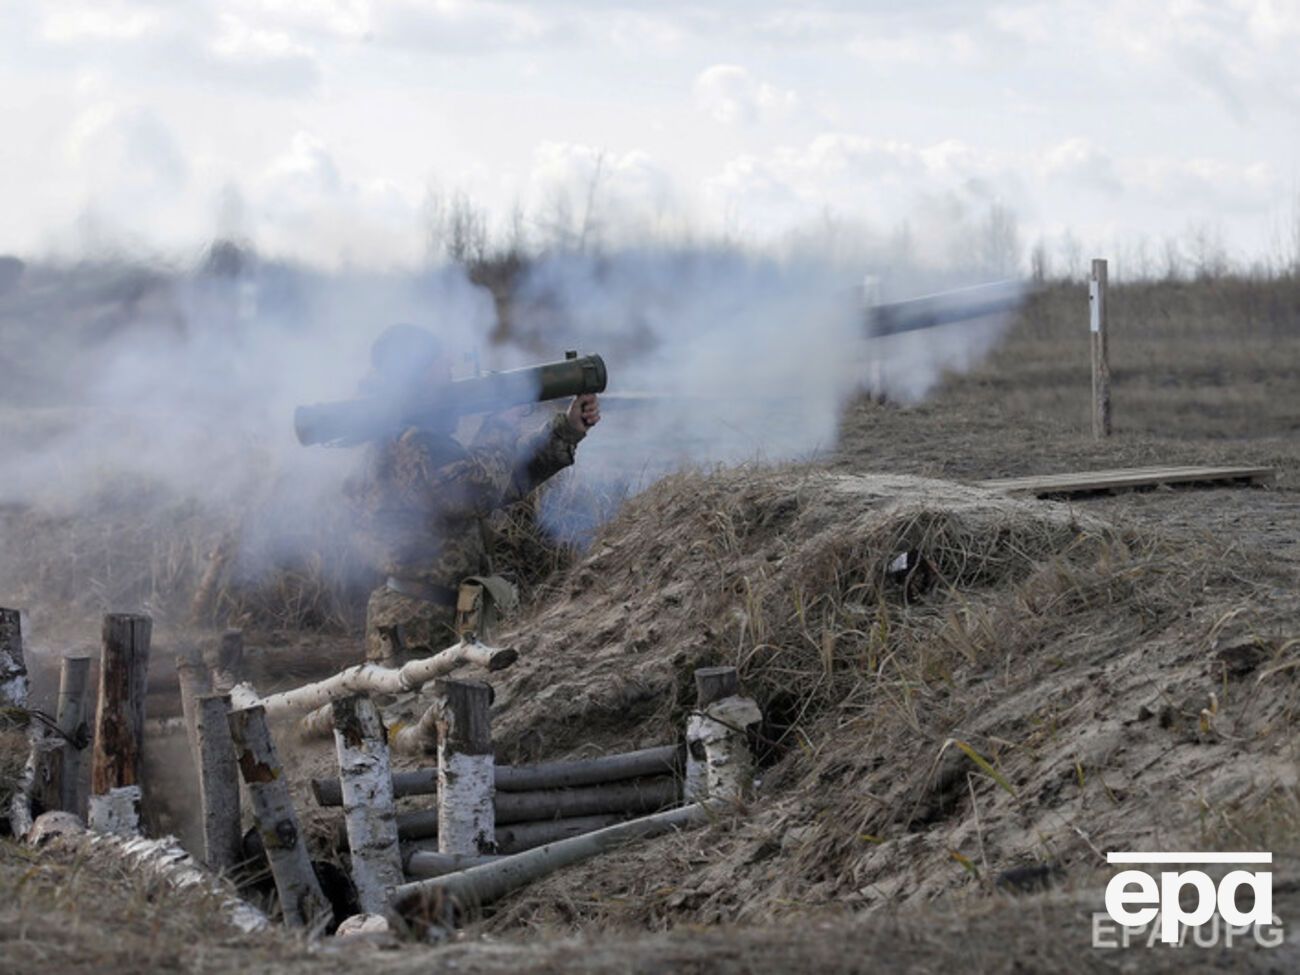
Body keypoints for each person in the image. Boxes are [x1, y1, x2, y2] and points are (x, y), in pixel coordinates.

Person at [346, 324, 600, 664]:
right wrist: (501, 423)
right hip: (418, 626)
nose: (451, 378)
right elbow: (478, 491)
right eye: (443, 370)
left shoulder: (419, 437)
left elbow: (498, 484)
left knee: (455, 713)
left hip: (439, 615)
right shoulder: (410, 443)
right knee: (415, 716)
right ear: (416, 375)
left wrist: (565, 431)